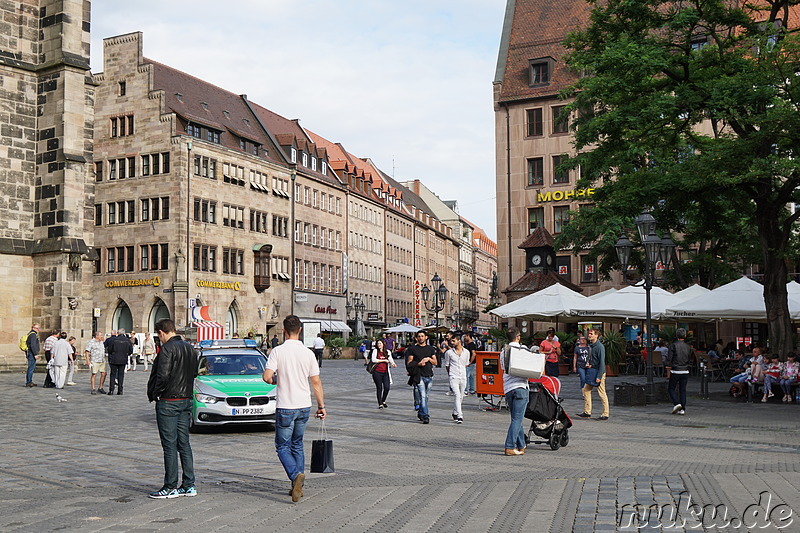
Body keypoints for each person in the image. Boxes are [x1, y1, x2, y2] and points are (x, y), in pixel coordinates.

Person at [262, 315, 326, 503]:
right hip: (304, 405)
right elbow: (316, 382)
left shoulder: (277, 351)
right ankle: (297, 484)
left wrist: (275, 379)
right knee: (297, 444)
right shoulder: (308, 353)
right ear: (300, 330)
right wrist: (321, 406)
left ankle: (295, 475)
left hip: (286, 406)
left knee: (282, 446)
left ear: (284, 331)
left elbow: (266, 377)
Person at [147, 318, 197, 499]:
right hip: (186, 400)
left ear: (161, 332)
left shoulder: (167, 349)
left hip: (169, 400)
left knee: (169, 444)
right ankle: (189, 484)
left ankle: (170, 486)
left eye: (158, 335)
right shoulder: (190, 348)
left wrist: (157, 393)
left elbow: (163, 375)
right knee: (184, 443)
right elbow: (194, 373)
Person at [499, 327, 528, 455]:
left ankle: (522, 445)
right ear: (518, 337)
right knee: (517, 419)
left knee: (516, 418)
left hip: (509, 388)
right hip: (521, 386)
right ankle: (510, 446)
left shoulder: (502, 352)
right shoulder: (523, 350)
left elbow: (502, 367)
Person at [405, 330, 437, 424]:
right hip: (419, 375)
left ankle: (421, 413)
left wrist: (429, 359)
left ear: (426, 337)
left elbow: (436, 362)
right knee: (422, 396)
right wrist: (418, 364)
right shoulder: (412, 349)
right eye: (419, 336)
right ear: (416, 338)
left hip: (429, 375)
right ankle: (426, 416)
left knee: (426, 397)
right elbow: (409, 363)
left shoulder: (430, 349)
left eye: (422, 336)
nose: (420, 338)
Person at [579, 329, 609, 420]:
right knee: (586, 390)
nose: (589, 335)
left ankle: (605, 413)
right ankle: (587, 412)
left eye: (591, 334)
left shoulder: (599, 347)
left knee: (601, 392)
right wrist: (590, 364)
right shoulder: (591, 346)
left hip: (599, 372)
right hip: (593, 370)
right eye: (589, 334)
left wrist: (599, 376)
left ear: (596, 336)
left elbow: (602, 362)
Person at [665, 328, 692, 415]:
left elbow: (669, 358)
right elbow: (689, 358)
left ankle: (677, 403)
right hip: (685, 370)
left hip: (675, 370)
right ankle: (682, 409)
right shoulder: (688, 347)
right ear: (685, 336)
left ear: (676, 336)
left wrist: (668, 366)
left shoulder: (673, 345)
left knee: (671, 388)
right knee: (682, 390)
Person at [443, 335, 470, 423]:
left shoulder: (466, 352)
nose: (451, 343)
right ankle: (460, 415)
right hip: (453, 376)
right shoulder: (449, 353)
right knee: (457, 395)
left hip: (462, 375)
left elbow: (466, 364)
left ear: (459, 341)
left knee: (461, 396)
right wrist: (450, 374)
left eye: (453, 341)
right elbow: (447, 365)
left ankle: (455, 412)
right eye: (451, 341)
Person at [370, 338, 396, 409]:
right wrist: (383, 360)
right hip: (377, 372)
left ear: (383, 344)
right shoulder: (375, 351)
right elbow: (373, 360)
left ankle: (383, 400)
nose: (379, 345)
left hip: (385, 372)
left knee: (387, 387)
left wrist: (393, 363)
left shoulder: (387, 351)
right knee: (379, 388)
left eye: (380, 343)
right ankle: (380, 403)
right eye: (378, 344)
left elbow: (390, 358)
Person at [107, 327, 132, 395]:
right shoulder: (127, 340)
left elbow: (109, 350)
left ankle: (111, 390)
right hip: (123, 359)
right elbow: (130, 351)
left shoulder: (114, 339)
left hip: (114, 359)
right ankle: (120, 390)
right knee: (121, 375)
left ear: (118, 333)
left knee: (113, 375)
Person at [84, 330, 108, 395]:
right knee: (94, 374)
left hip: (102, 360)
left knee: (104, 374)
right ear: (97, 336)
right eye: (100, 335)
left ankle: (100, 387)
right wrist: (88, 360)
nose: (102, 336)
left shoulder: (102, 342)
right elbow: (87, 351)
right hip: (94, 360)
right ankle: (93, 388)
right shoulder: (91, 342)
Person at [24, 323, 41, 388]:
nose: (38, 330)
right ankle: (29, 382)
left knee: (31, 367)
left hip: (30, 353)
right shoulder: (33, 335)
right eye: (37, 328)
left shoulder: (31, 334)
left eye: (38, 328)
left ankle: (29, 381)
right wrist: (35, 354)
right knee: (31, 368)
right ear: (33, 328)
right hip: (31, 353)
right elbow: (32, 345)